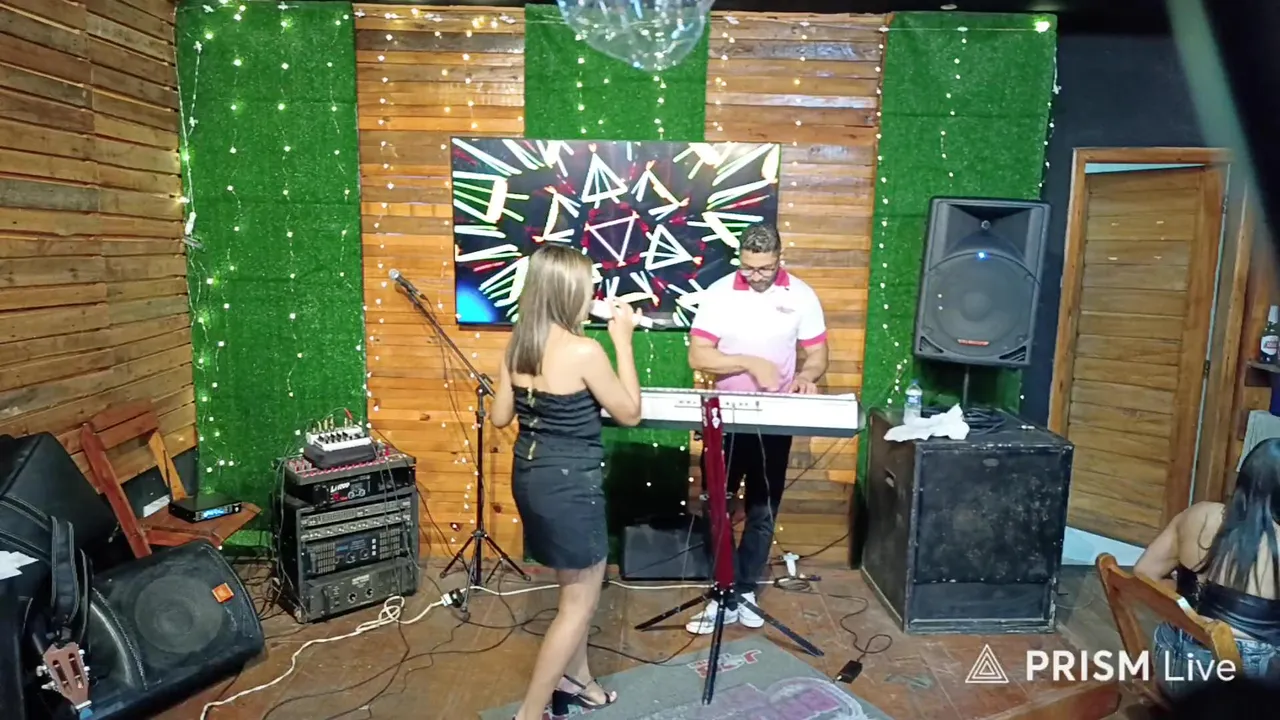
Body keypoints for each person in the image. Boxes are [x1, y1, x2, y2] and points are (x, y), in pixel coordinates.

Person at [490, 245, 643, 719]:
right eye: (588, 288)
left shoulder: (518, 345)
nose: (592, 296)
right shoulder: (585, 351)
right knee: (579, 605)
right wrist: (623, 341)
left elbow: (499, 417)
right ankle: (530, 713)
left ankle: (580, 683)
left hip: (529, 478)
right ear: (567, 292)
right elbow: (630, 413)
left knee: (571, 589)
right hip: (569, 486)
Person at [683, 223, 829, 635]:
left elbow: (818, 355)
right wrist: (748, 362)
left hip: (775, 418)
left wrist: (807, 376)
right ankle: (722, 591)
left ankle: (745, 590)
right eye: (747, 267)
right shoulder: (719, 294)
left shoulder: (801, 296)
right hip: (725, 418)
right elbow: (698, 355)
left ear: (779, 259)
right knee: (717, 504)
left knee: (763, 508)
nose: (755, 275)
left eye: (764, 268)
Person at [1134, 438, 1280, 697]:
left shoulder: (1199, 514)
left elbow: (1144, 571)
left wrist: (1187, 603)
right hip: (1235, 683)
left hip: (1169, 658)